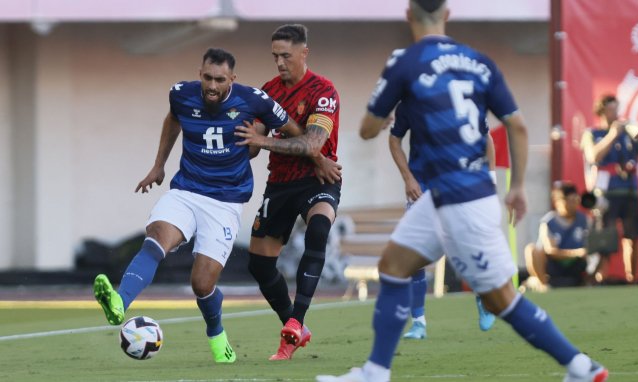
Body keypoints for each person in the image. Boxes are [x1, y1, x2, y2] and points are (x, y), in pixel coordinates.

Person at [316, 1, 608, 381]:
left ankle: (581, 366)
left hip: (461, 202)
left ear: (408, 15)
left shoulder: (405, 62)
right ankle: (374, 372)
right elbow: (516, 127)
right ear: (448, 15)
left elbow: (369, 130)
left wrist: (382, 113)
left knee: (502, 299)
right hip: (453, 194)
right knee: (393, 266)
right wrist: (517, 186)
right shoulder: (479, 62)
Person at [92, 48, 305, 364]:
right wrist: (158, 165)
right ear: (199, 74)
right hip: (186, 191)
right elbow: (173, 121)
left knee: (202, 284)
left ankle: (217, 335)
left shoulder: (253, 100)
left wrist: (263, 141)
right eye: (207, 78)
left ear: (232, 78)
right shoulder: (180, 94)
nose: (212, 86)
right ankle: (120, 303)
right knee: (156, 238)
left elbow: (294, 132)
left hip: (225, 203)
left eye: (220, 79)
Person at [234, 24, 342, 361]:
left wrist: (263, 141)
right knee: (259, 265)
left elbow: (312, 142)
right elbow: (252, 145)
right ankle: (294, 327)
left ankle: (296, 321)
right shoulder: (267, 92)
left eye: (286, 55)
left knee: (319, 229)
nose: (279, 62)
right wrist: (245, 136)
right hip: (279, 184)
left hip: (317, 180)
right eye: (275, 56)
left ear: (304, 53)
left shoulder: (324, 91)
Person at [387, 105, 496, 339]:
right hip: (423, 186)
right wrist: (408, 178)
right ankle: (418, 323)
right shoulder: (410, 98)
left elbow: (485, 138)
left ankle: (483, 296)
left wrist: (491, 178)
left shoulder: (465, 93)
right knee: (413, 253)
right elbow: (394, 139)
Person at [581, 94, 638, 284]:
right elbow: (593, 156)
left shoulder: (627, 135)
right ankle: (602, 277)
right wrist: (613, 134)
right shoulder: (592, 133)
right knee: (604, 236)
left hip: (629, 191)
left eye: (616, 108)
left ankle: (632, 278)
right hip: (605, 193)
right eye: (610, 109)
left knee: (633, 236)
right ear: (601, 111)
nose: (615, 113)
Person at [523, 181, 590, 290]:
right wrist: (576, 253)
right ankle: (542, 284)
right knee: (531, 249)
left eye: (575, 200)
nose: (573, 204)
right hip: (554, 266)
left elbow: (591, 244)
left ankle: (591, 281)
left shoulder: (584, 220)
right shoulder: (548, 222)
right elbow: (550, 250)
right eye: (569, 201)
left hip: (576, 265)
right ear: (558, 202)